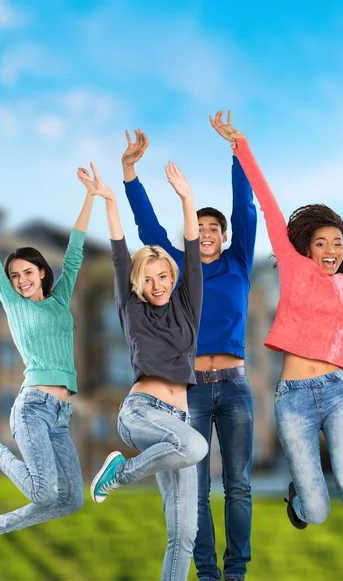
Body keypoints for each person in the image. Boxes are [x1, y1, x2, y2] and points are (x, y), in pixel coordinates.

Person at [209, 111, 343, 581]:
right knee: (317, 510)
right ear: (307, 247)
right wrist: (240, 145)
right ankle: (299, 496)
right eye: (321, 242)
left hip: (339, 393)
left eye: (337, 243)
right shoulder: (295, 267)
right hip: (294, 400)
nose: (330, 249)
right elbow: (268, 201)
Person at [120, 127, 256, 581]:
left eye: (216, 228)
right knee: (194, 487)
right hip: (191, 390)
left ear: (224, 235)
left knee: (237, 486)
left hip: (235, 387)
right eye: (202, 227)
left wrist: (238, 150)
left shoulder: (238, 263)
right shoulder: (180, 273)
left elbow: (246, 207)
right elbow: (147, 229)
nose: (209, 233)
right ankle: (207, 574)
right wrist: (131, 175)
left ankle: (235, 573)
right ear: (193, 233)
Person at [0, 163, 98, 575]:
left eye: (27, 273)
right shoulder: (13, 304)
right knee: (39, 489)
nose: (20, 281)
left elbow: (76, 249)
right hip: (32, 407)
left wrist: (91, 196)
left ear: (42, 273)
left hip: (60, 416)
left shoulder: (60, 297)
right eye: (15, 277)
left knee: (69, 499)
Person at [88, 160, 208, 581]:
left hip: (178, 423)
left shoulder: (188, 307)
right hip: (141, 414)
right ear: (137, 283)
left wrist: (187, 198)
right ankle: (120, 474)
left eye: (163, 275)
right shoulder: (131, 310)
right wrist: (109, 201)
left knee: (184, 534)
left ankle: (122, 473)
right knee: (198, 448)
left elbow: (193, 250)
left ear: (172, 277)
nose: (157, 284)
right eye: (148, 278)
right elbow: (120, 249)